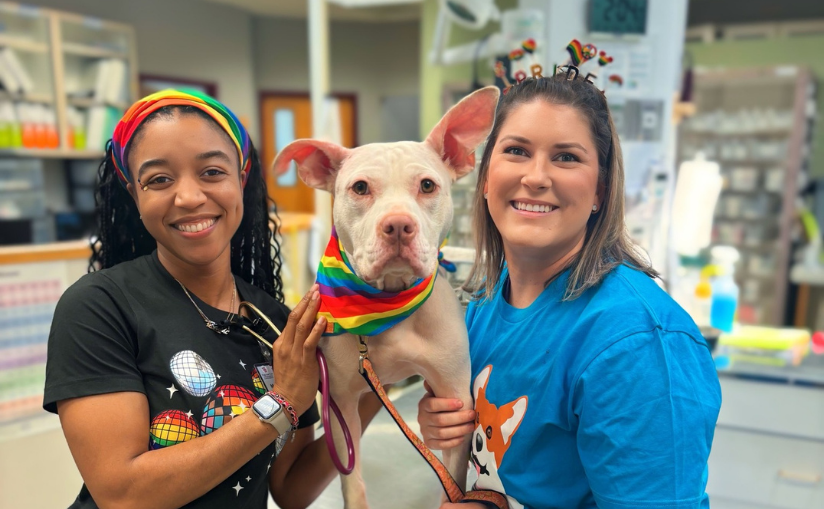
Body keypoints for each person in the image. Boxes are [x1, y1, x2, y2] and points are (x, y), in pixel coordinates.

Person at [43, 89, 380, 509]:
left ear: (240, 179)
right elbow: (123, 494)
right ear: (135, 195)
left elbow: (291, 489)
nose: (188, 197)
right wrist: (281, 404)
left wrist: (372, 388)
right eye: (159, 179)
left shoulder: (272, 320)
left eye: (212, 172)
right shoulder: (98, 307)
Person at [417, 73, 722, 509]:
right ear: (485, 178)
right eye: (517, 151)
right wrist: (450, 430)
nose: (536, 177)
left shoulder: (636, 346)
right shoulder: (485, 306)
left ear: (599, 190)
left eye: (565, 158)